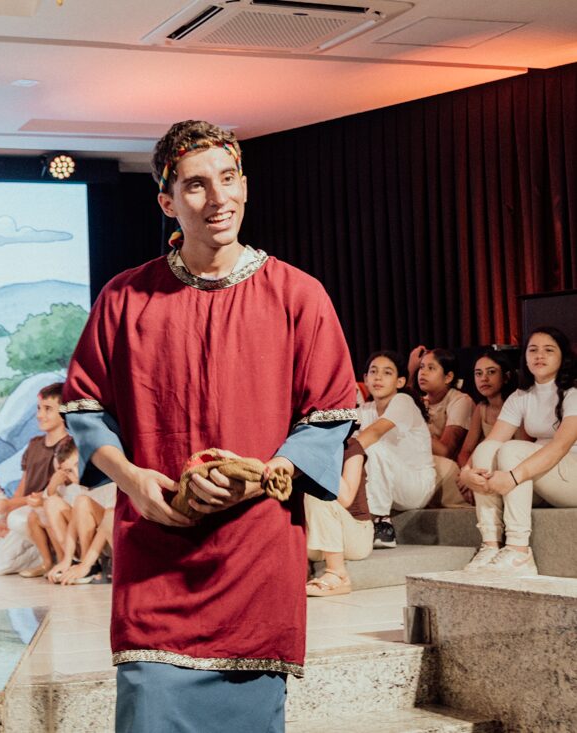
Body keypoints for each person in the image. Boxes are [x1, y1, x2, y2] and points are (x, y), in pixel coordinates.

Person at [62, 121, 357, 733]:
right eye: (196, 185)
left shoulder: (298, 295)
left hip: (256, 553)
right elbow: (86, 408)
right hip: (156, 550)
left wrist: (261, 478)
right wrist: (133, 480)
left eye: (228, 179)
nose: (218, 198)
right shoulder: (125, 298)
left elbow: (328, 416)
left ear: (245, 185)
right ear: (167, 201)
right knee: (149, 711)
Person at [459, 327, 577, 576]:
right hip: (545, 476)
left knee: (512, 450)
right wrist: (467, 472)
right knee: (488, 448)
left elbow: (560, 447)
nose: (539, 356)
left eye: (548, 350)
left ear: (562, 357)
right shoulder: (521, 396)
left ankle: (518, 550)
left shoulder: (573, 393)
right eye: (533, 350)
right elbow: (492, 440)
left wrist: (512, 477)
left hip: (571, 476)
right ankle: (490, 544)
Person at [0, 383, 68, 576]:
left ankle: (52, 555)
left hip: (44, 510)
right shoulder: (34, 444)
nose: (40, 415)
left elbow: (55, 492)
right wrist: (7, 512)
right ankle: (44, 553)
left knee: (17, 518)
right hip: (25, 510)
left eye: (48, 409)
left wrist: (11, 506)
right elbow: (24, 485)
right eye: (39, 408)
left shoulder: (68, 446)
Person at [356, 351, 436, 549]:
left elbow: (374, 433)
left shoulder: (403, 401)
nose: (378, 377)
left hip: (416, 486)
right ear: (365, 379)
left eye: (387, 373)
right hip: (389, 487)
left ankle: (382, 523)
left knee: (371, 446)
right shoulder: (364, 410)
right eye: (373, 372)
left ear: (400, 381)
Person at [304, 438, 371, 596]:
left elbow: (346, 498)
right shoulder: (300, 447)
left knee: (319, 495)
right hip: (316, 540)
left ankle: (338, 575)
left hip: (354, 537)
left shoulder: (351, 447)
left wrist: (320, 457)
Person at [413, 348, 473, 508]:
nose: (423, 373)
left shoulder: (460, 401)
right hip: (423, 466)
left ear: (448, 377)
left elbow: (446, 451)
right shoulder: (419, 402)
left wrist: (414, 427)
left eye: (431, 368)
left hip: (451, 471)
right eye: (421, 367)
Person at [21, 436, 82, 577]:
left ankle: (67, 560)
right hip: (71, 530)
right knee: (35, 516)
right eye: (64, 470)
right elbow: (47, 497)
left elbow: (51, 503)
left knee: (49, 507)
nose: (64, 473)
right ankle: (48, 562)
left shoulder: (79, 484)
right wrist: (53, 484)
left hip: (81, 531)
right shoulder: (63, 485)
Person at [456, 349, 522, 471]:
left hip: (511, 470)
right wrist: (469, 472)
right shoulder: (481, 408)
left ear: (506, 376)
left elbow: (523, 453)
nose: (484, 378)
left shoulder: (518, 405)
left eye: (491, 372)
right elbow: (465, 452)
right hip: (482, 468)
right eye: (478, 373)